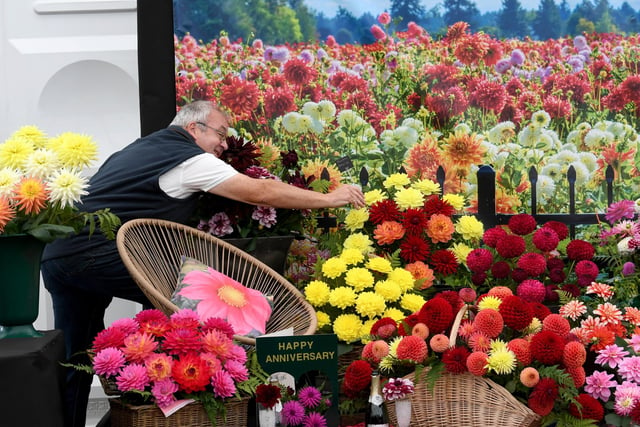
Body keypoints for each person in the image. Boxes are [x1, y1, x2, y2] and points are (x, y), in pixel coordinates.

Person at [41, 100, 365, 427]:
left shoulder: (134, 151)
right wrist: (328, 198)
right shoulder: (188, 158)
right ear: (193, 128)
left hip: (57, 256)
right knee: (200, 312)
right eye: (220, 134)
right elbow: (260, 192)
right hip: (101, 253)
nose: (224, 145)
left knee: (74, 358)